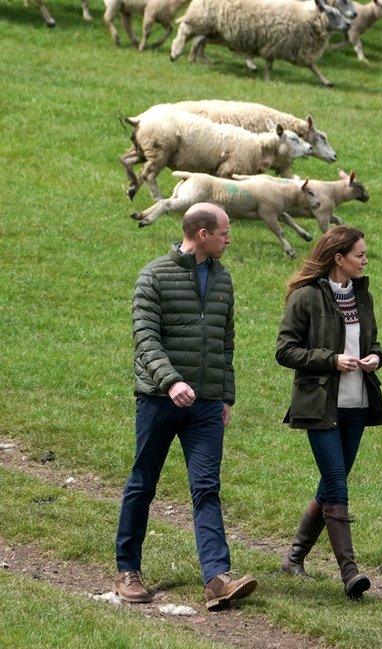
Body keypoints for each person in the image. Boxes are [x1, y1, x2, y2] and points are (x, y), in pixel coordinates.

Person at [114, 203, 257, 610]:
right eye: (225, 232)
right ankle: (128, 569)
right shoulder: (154, 276)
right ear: (201, 233)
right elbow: (145, 338)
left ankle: (216, 578)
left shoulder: (223, 279)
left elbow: (226, 340)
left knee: (207, 488)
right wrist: (171, 380)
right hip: (158, 400)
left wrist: (225, 395)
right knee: (143, 482)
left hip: (206, 406)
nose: (230, 238)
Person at [276, 226, 382, 599]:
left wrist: (376, 357)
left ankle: (294, 558)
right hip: (321, 406)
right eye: (359, 254)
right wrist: (331, 360)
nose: (365, 260)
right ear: (339, 258)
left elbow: (371, 342)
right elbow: (285, 351)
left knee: (329, 484)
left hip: (357, 405)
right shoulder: (305, 297)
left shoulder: (362, 295)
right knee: (337, 483)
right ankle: (350, 573)